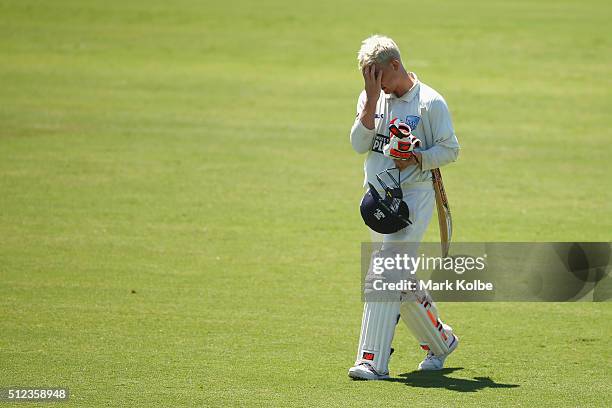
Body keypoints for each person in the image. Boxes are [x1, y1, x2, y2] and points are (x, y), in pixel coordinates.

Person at [348, 35, 461, 380]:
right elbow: (357, 144)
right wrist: (369, 101)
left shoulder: (429, 103)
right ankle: (441, 341)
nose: (377, 87)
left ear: (395, 65)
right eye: (369, 80)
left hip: (412, 199)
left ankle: (372, 362)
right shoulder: (373, 97)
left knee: (383, 274)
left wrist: (416, 157)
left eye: (379, 78)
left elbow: (450, 149)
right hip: (377, 198)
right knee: (399, 278)